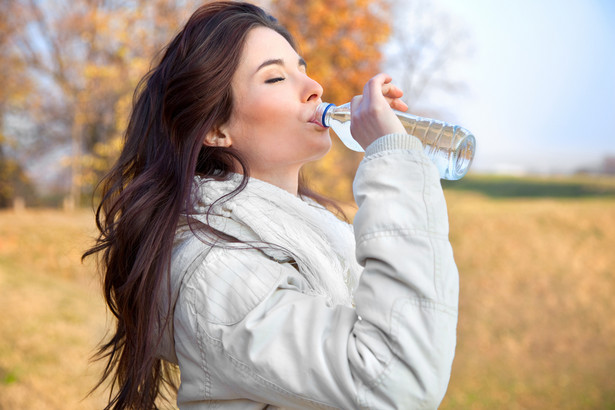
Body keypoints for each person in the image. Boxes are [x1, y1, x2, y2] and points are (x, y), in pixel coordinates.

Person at [84, 1, 459, 409]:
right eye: (276, 77)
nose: (314, 86)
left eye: (302, 67)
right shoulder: (217, 273)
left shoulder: (317, 231)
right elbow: (395, 380)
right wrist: (394, 162)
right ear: (216, 128)